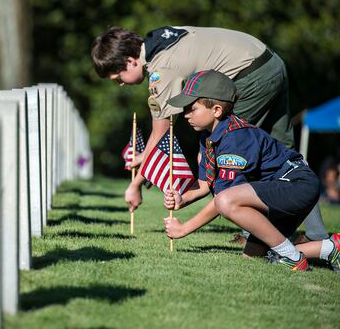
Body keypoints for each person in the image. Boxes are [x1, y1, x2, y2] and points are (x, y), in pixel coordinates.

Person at [90, 25, 329, 242]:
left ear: (131, 61)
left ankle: (256, 235)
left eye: (117, 77)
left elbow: (161, 133)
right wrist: (144, 159)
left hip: (247, 77)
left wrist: (136, 184)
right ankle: (316, 235)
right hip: (271, 61)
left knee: (235, 149)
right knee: (283, 154)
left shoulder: (161, 69)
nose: (120, 83)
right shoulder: (158, 38)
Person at [161, 69, 339, 271]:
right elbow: (204, 184)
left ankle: (293, 257)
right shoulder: (208, 136)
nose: (185, 115)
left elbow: (224, 199)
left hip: (296, 184)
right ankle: (329, 249)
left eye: (192, 108)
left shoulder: (235, 139)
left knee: (226, 200)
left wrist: (183, 229)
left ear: (217, 110)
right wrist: (181, 199)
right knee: (252, 257)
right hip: (279, 189)